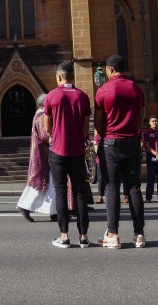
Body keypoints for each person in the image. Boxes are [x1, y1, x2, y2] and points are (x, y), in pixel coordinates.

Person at [95, 54, 146, 249]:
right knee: (133, 188)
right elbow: (140, 117)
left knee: (112, 188)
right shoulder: (136, 88)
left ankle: (113, 233)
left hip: (111, 142)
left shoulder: (104, 90)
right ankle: (139, 234)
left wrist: (105, 134)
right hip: (132, 140)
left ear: (109, 70)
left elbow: (99, 121)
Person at [44, 62, 91, 249]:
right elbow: (86, 126)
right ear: (73, 77)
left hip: (58, 150)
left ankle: (64, 236)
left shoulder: (52, 96)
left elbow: (48, 127)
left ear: (58, 77)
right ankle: (84, 236)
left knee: (61, 192)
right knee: (80, 192)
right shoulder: (83, 97)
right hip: (77, 150)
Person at [17, 94, 56, 222]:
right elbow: (46, 136)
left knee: (51, 184)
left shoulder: (39, 115)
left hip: (44, 154)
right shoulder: (41, 116)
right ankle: (25, 206)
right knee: (40, 184)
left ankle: (54, 212)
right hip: (43, 155)